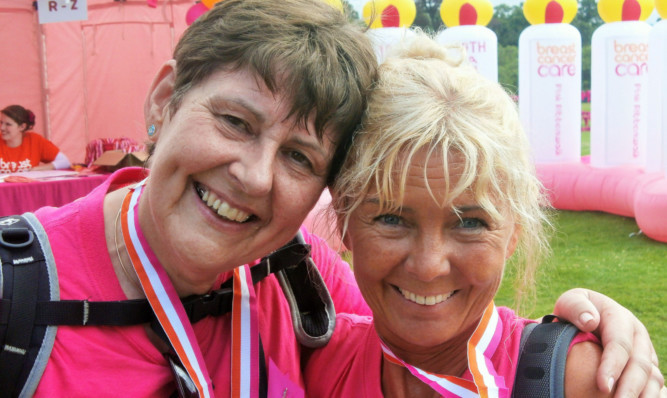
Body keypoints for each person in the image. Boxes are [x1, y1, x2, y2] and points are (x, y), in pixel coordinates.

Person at [3, 1, 659, 396]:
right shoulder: (16, 305)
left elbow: (428, 335)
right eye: (235, 121)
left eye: (298, 157)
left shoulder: (300, 284)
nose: (256, 176)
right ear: (163, 100)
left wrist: (581, 337)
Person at [304, 32, 666, 397]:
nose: (429, 266)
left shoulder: (580, 380)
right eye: (392, 219)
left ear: (514, 230)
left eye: (470, 223)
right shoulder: (314, 364)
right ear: (343, 217)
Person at [0, 105, 71, 173]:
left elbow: (64, 161)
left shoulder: (35, 140)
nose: (2, 128)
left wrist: (38, 169)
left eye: (8, 124)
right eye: (1, 122)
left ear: (22, 127)